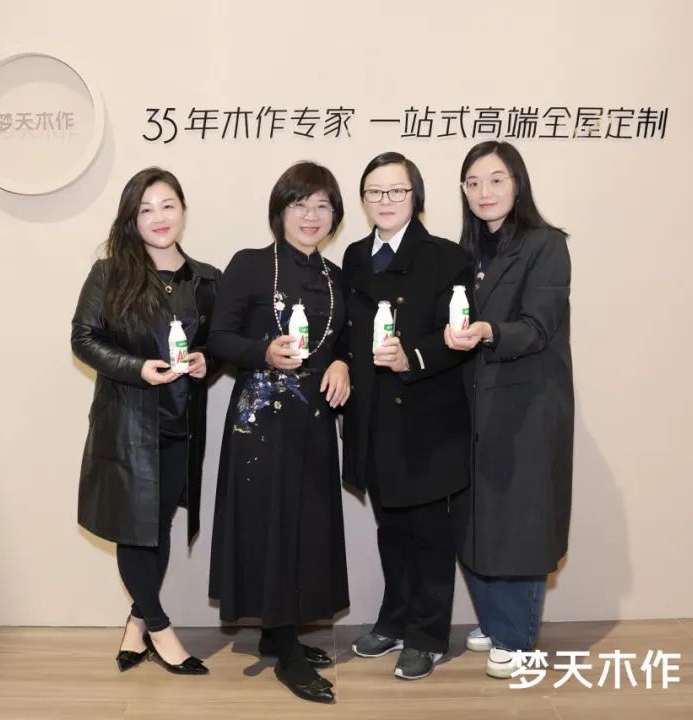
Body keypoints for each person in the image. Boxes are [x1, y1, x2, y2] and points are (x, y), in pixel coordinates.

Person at [207, 161, 351, 704]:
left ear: (335, 215)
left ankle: (277, 632)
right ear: (279, 211)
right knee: (271, 527)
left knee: (306, 526)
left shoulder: (336, 276)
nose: (311, 216)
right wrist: (262, 352)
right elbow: (219, 337)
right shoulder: (250, 264)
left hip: (314, 423)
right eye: (299, 204)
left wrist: (342, 364)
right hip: (261, 423)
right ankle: (286, 650)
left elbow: (343, 342)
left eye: (322, 206)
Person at [71, 167, 220, 676]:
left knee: (158, 528)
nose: (158, 217)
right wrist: (137, 368)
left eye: (167, 205)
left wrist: (205, 362)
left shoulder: (206, 279)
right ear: (132, 219)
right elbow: (83, 339)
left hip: (180, 424)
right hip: (128, 427)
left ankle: (136, 622)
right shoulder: (110, 274)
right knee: (135, 531)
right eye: (146, 209)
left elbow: (218, 346)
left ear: (183, 211)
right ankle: (159, 628)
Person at [340, 152, 472, 681]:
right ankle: (394, 620)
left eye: (396, 190)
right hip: (371, 415)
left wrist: (411, 357)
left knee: (430, 534)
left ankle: (427, 635)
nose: (385, 201)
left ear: (416, 196)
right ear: (363, 200)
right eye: (374, 192)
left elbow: (458, 337)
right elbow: (346, 330)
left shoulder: (446, 258)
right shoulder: (354, 255)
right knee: (390, 529)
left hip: (426, 418)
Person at [444, 140, 574, 678]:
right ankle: (498, 621)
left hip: (525, 406)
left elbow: (538, 326)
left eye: (496, 179)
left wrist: (489, 331)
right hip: (473, 403)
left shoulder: (546, 244)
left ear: (517, 183)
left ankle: (518, 640)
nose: (484, 192)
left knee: (518, 519)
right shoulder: (468, 252)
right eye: (473, 182)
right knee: (476, 516)